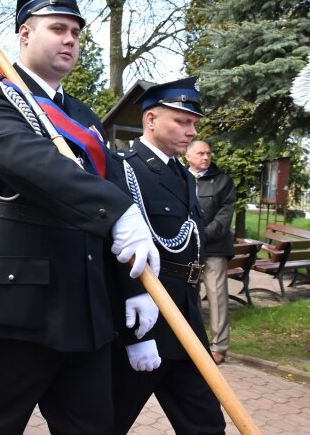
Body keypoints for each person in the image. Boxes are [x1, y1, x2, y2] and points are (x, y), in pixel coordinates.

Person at [0, 0, 161, 435]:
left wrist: (132, 287)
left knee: (92, 426)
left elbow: (105, 208)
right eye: (58, 28)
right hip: (15, 301)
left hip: (84, 303)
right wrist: (120, 210)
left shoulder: (82, 115)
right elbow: (33, 164)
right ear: (25, 35)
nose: (70, 40)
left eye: (77, 33)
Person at [112, 77, 226, 434]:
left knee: (206, 422)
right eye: (181, 120)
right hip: (147, 320)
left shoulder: (185, 175)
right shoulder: (125, 169)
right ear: (151, 120)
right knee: (106, 423)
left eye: (194, 123)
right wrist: (136, 337)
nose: (191, 131)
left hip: (185, 317)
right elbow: (115, 251)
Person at [185, 140, 236, 364]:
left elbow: (224, 215)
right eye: (200, 153)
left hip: (213, 248)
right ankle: (195, 342)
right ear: (188, 156)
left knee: (217, 298)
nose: (206, 157)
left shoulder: (222, 181)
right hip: (186, 249)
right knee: (189, 295)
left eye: (208, 153)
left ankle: (220, 346)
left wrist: (202, 235)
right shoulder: (179, 177)